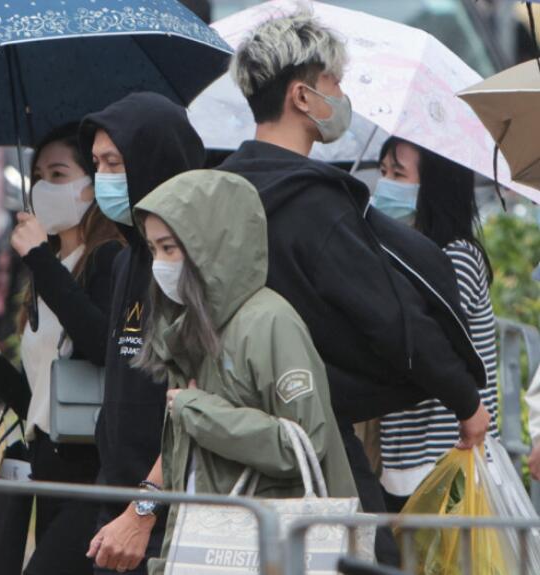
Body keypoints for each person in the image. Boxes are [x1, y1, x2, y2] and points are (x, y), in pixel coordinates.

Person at [216, 11, 491, 564]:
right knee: (369, 559)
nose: (341, 97)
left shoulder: (223, 192)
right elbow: (389, 316)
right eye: (334, 84)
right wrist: (464, 398)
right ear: (301, 96)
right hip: (315, 432)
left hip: (231, 429)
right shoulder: (315, 204)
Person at [131, 169, 357, 573]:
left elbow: (303, 444)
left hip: (272, 549)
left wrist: (200, 412)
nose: (159, 265)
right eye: (152, 249)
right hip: (216, 546)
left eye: (169, 248)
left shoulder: (270, 322)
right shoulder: (190, 326)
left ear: (212, 246)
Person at [0, 123, 123, 575]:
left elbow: (103, 345)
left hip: (95, 472)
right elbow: (38, 402)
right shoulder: (47, 273)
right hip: (48, 468)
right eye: (39, 176)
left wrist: (40, 260)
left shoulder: (107, 260)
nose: (46, 188)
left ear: (92, 185)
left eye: (60, 174)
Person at [77, 92, 206, 575]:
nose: (103, 177)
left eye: (115, 162)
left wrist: (143, 511)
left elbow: (196, 405)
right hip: (118, 505)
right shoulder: (131, 255)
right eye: (96, 163)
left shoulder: (183, 265)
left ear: (154, 160)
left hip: (163, 521)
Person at [372, 137, 501, 511]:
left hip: (448, 460)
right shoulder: (401, 255)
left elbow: (426, 346)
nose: (386, 185)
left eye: (399, 174)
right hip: (403, 464)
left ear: (434, 188)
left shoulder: (456, 256)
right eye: (382, 172)